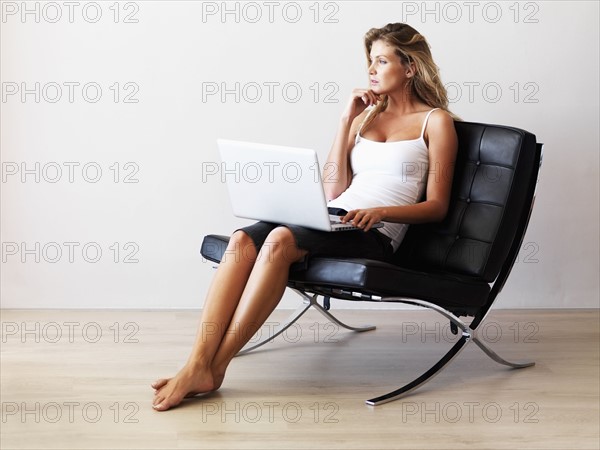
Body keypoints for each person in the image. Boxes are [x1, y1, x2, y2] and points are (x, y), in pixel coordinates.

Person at [151, 22, 458, 411]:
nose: (372, 70)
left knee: (279, 241)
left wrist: (380, 211)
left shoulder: (435, 121)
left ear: (410, 67)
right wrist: (346, 120)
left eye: (382, 61)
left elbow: (437, 206)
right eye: (370, 61)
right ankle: (196, 362)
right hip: (334, 217)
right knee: (241, 240)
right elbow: (333, 190)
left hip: (375, 231)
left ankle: (215, 367)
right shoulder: (366, 118)